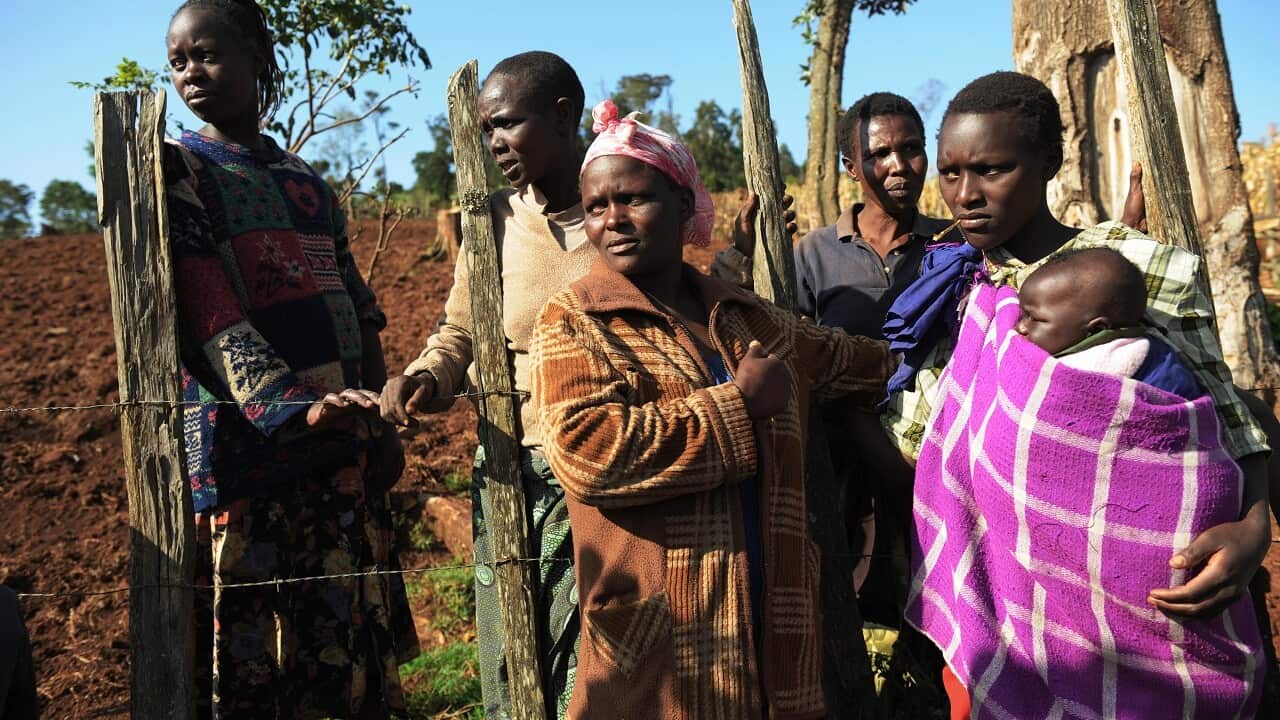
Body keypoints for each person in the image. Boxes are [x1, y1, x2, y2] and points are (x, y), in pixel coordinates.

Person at [879, 70, 1271, 718]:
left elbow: (1225, 419)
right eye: (949, 174)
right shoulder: (957, 286)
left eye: (992, 169)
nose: (965, 195)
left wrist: (1252, 530)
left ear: (1050, 162)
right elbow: (928, 436)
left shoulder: (1135, 269)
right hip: (1003, 608)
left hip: (1136, 599)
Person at [531, 98, 894, 719]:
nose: (612, 219)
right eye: (596, 207)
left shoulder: (746, 317)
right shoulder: (577, 321)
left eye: (633, 199)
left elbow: (851, 360)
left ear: (682, 202)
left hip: (771, 619)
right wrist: (738, 405)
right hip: (658, 640)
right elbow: (589, 453)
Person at [164, 1, 418, 716]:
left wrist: (378, 416)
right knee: (252, 655)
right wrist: (294, 408)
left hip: (339, 449)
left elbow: (355, 301)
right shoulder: (181, 171)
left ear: (256, 56)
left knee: (339, 651)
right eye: (178, 60)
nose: (191, 71)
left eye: (207, 53)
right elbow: (205, 304)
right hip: (246, 456)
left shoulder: (305, 181)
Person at [1016, 246, 1200, 398]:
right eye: (1023, 315)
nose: (1020, 326)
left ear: (1097, 329)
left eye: (1035, 319)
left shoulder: (1157, 370)